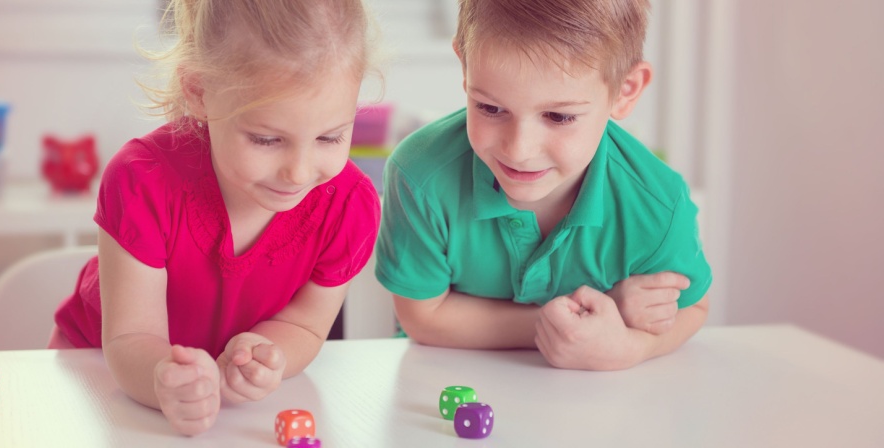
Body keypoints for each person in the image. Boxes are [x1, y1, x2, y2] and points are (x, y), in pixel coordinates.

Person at [49, 0, 380, 436]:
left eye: (330, 136)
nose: (299, 172)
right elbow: (129, 338)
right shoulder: (142, 180)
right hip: (99, 376)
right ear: (199, 92)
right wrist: (162, 379)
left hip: (229, 408)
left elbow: (305, 324)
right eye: (266, 139)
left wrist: (267, 355)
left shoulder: (348, 207)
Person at [374, 0, 711, 371]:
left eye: (558, 116)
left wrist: (630, 347)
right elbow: (423, 317)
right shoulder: (420, 175)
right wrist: (594, 314)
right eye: (490, 108)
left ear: (625, 90)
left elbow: (692, 306)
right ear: (464, 66)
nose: (519, 150)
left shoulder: (657, 204)